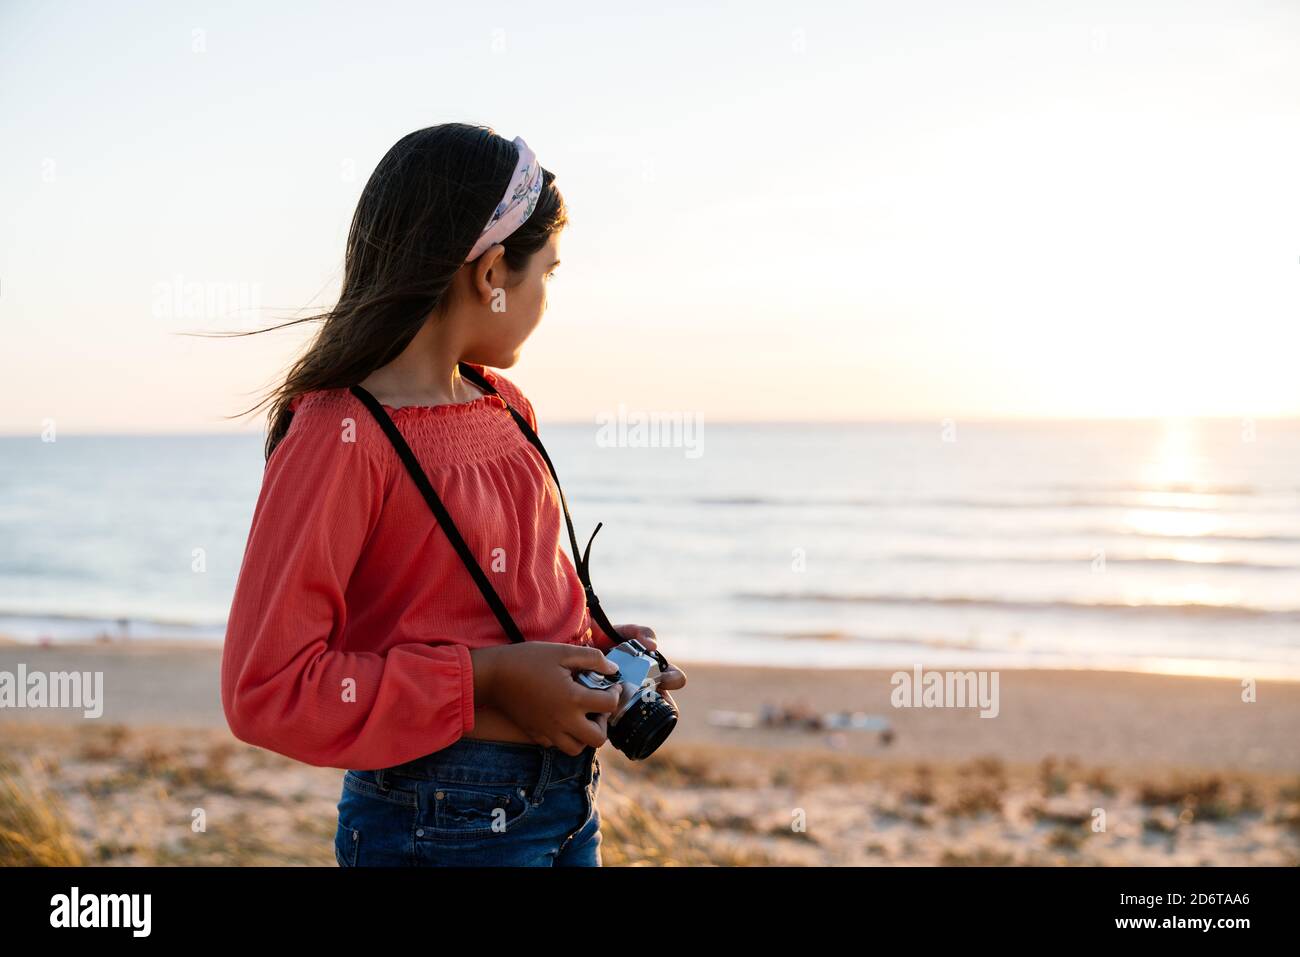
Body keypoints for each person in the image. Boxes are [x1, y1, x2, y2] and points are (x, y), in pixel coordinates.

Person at [220, 123, 686, 866]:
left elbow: (499, 600)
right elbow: (267, 686)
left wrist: (598, 650)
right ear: (493, 272)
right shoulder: (340, 434)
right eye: (549, 273)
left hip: (567, 802)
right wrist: (489, 680)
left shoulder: (506, 405)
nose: (547, 297)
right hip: (437, 816)